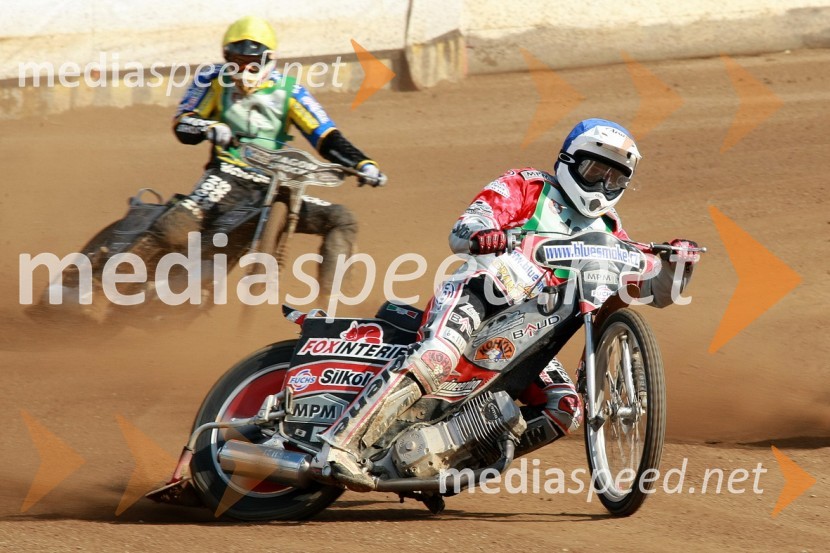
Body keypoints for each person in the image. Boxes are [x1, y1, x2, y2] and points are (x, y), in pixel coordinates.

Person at [315, 118, 700, 491]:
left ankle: (448, 461)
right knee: (436, 357)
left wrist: (677, 266)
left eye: (615, 177)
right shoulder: (528, 186)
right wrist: (485, 234)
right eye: (596, 169)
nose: (603, 183)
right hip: (481, 297)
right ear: (569, 161)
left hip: (533, 332)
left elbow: (646, 290)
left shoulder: (611, 230)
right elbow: (468, 223)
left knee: (564, 407)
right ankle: (338, 446)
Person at [144, 15, 384, 298]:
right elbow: (183, 122)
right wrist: (210, 127)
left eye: (252, 62)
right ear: (226, 57)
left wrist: (362, 163)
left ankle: (333, 305)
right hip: (227, 175)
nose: (244, 68)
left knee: (342, 219)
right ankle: (105, 278)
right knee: (174, 229)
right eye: (237, 60)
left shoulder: (290, 90)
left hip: (276, 183)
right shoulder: (212, 78)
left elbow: (325, 135)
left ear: (268, 59)